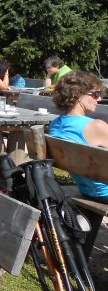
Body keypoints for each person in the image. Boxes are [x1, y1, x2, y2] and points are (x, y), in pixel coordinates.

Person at [49, 71, 108, 202]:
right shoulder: (96, 126)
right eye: (95, 94)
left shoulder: (54, 125)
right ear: (78, 95)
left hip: (86, 190)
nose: (99, 99)